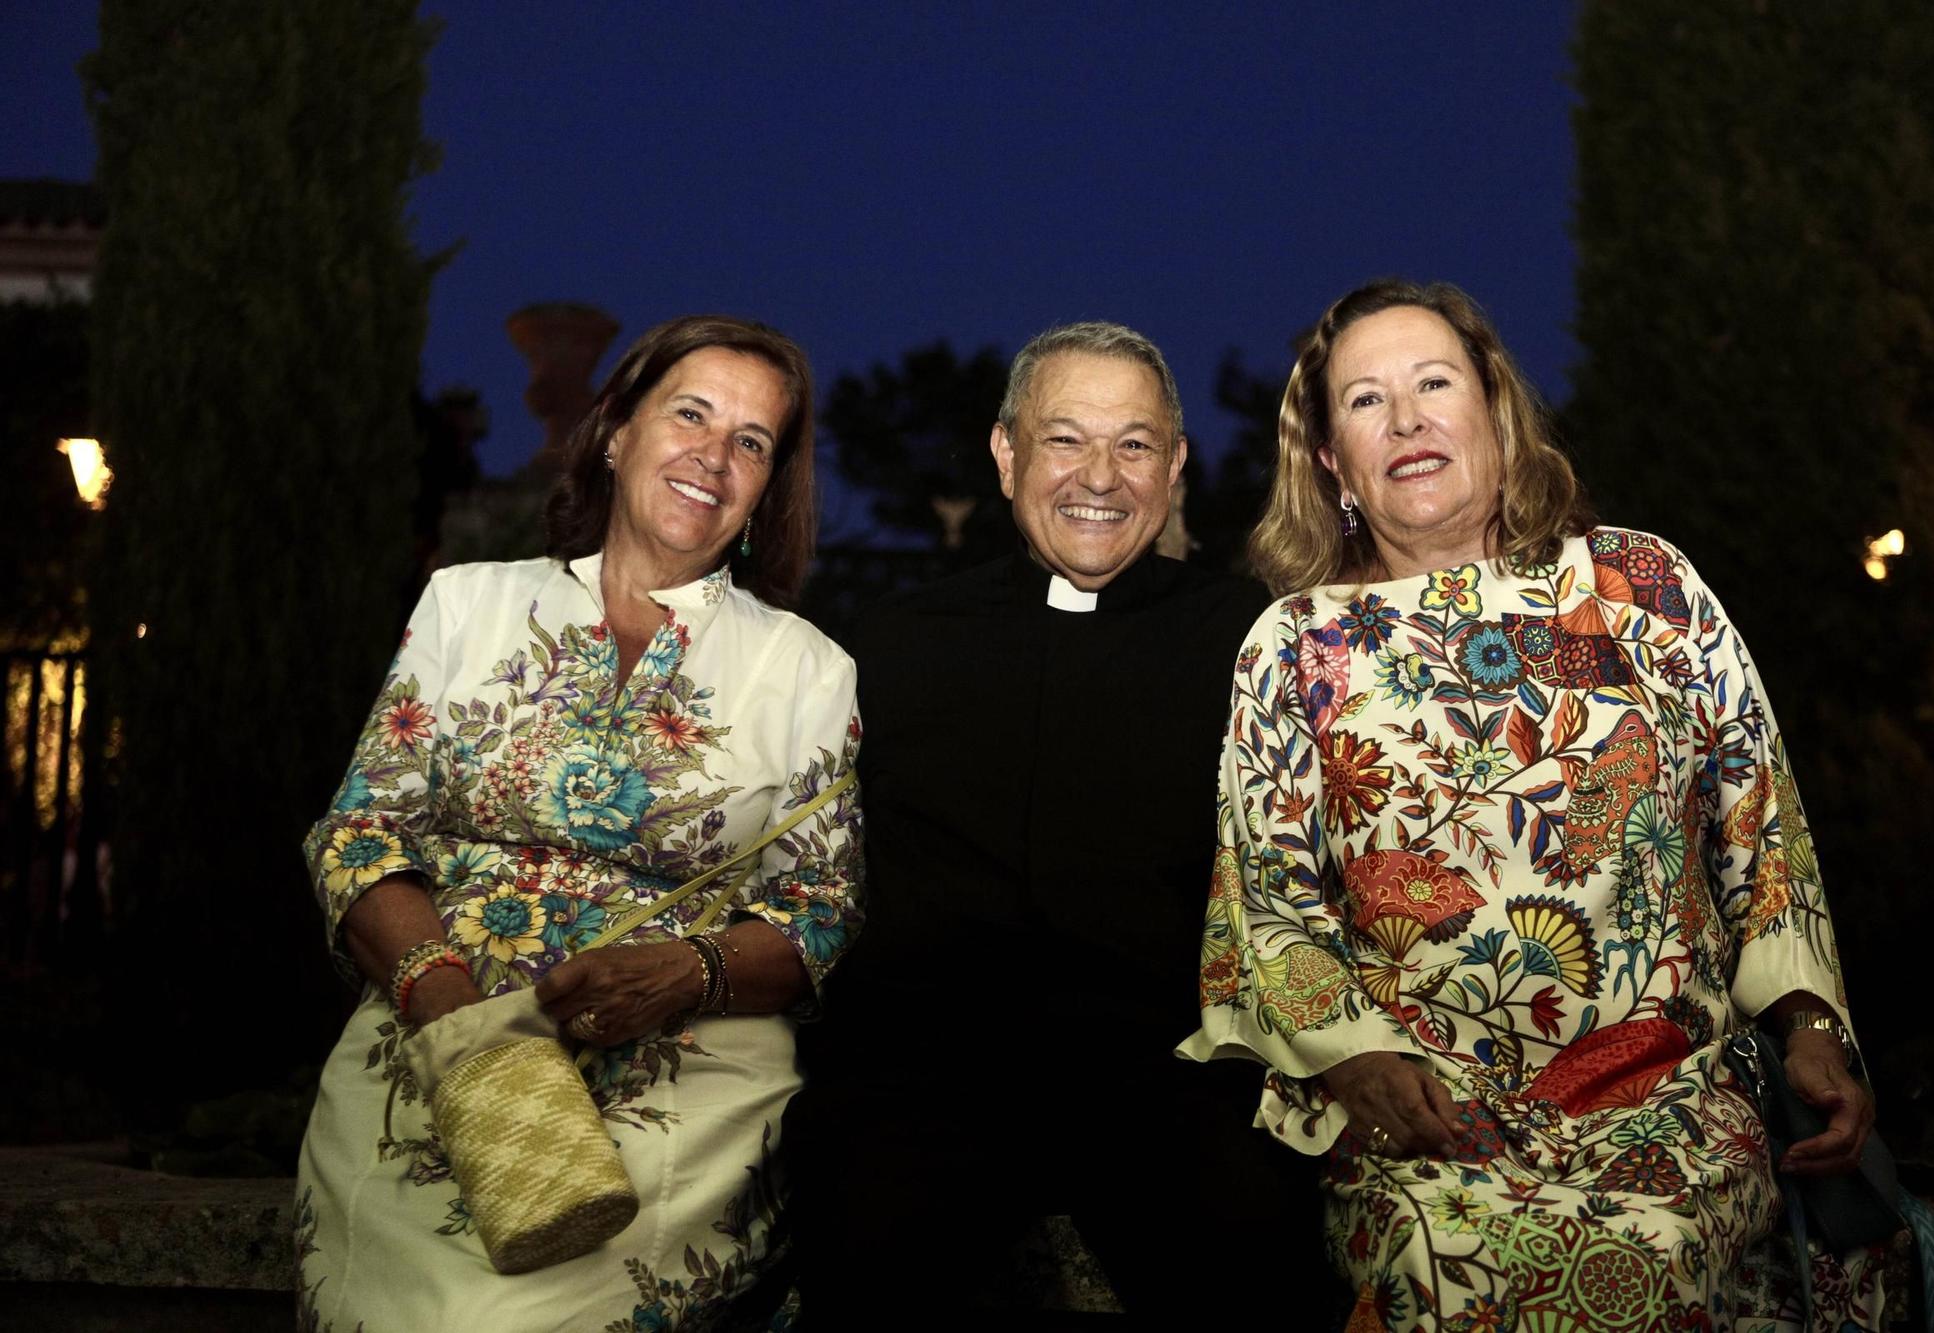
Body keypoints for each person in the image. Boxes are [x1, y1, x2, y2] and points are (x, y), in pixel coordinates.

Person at [1182, 278, 1882, 1330]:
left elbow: (1759, 828)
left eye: (1432, 383)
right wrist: (1355, 1056)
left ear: (1494, 411)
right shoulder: (1292, 645)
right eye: (1365, 401)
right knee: (1435, 1265)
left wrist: (1807, 1018)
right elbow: (1269, 901)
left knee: (1647, 1251)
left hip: (1667, 1098)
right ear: (1331, 460)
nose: (1407, 418)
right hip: (1426, 1119)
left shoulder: (1642, 584)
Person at [295, 315, 863, 1331]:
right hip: (438, 1027)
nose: (714, 456)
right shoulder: (464, 607)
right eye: (690, 414)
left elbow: (818, 913)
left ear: (767, 486)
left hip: (683, 1066)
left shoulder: (807, 668)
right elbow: (359, 831)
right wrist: (448, 1001)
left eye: (751, 441)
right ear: (615, 432)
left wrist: (681, 975)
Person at [784, 322, 1345, 1325]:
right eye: (1063, 440)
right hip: (928, 1073)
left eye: (1133, 444)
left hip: (1161, 1074)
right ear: (1005, 457)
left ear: (1174, 466)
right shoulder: (895, 640)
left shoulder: (1247, 639)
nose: (1100, 475)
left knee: (1261, 1262)